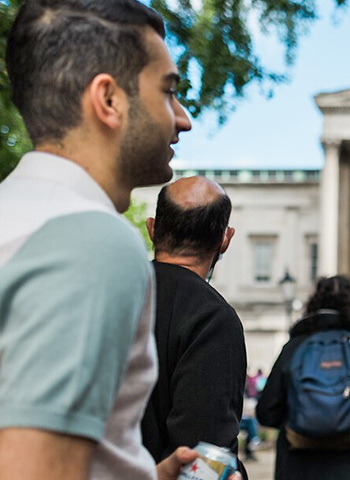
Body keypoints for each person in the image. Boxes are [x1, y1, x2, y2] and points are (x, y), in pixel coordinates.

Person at [0, 1, 237, 478]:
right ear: (108, 99)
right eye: (168, 91)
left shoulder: (17, 211)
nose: (183, 118)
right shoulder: (89, 240)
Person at [140, 177, 249, 474]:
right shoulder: (213, 318)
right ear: (225, 239)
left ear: (151, 229)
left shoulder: (108, 291)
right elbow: (202, 456)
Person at [257, 275, 350, 480]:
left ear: (315, 300)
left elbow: (266, 411)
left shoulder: (295, 346)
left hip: (299, 464)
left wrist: (304, 416)